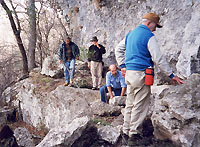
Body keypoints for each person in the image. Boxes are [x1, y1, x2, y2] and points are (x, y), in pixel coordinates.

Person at [115, 12, 184, 146]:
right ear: (149, 23)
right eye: (155, 26)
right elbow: (158, 58)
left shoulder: (131, 34)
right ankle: (134, 136)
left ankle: (125, 131)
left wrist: (122, 65)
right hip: (141, 74)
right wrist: (171, 75)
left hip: (129, 73)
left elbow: (118, 49)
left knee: (130, 103)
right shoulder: (148, 36)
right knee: (140, 105)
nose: (155, 29)